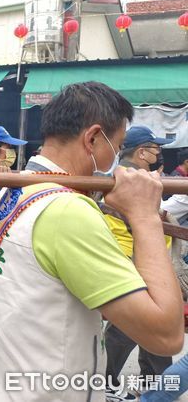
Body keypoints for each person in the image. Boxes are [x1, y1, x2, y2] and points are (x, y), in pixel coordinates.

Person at [0, 82, 184, 401]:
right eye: (118, 146)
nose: (119, 159)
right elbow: (166, 335)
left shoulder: (12, 191)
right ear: (93, 138)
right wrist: (145, 217)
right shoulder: (66, 210)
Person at [101, 126, 174, 398]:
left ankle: (149, 384)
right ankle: (144, 385)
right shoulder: (133, 179)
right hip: (135, 258)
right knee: (136, 326)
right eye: (157, 149)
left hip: (134, 257)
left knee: (136, 326)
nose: (160, 154)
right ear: (142, 152)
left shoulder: (128, 176)